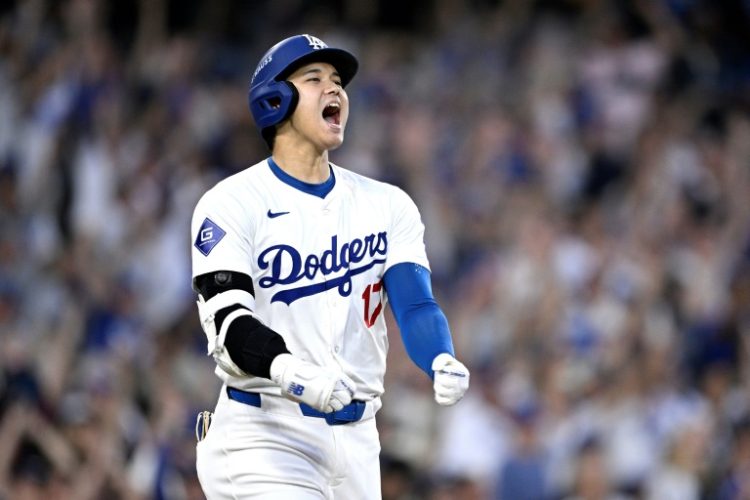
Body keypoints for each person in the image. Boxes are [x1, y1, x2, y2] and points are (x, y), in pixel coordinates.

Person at [190, 33, 470, 499]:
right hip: (264, 430)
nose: (334, 89)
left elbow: (416, 304)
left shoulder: (386, 204)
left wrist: (439, 354)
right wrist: (287, 370)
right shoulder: (231, 203)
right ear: (275, 98)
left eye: (338, 81)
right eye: (314, 78)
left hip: (358, 441)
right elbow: (229, 322)